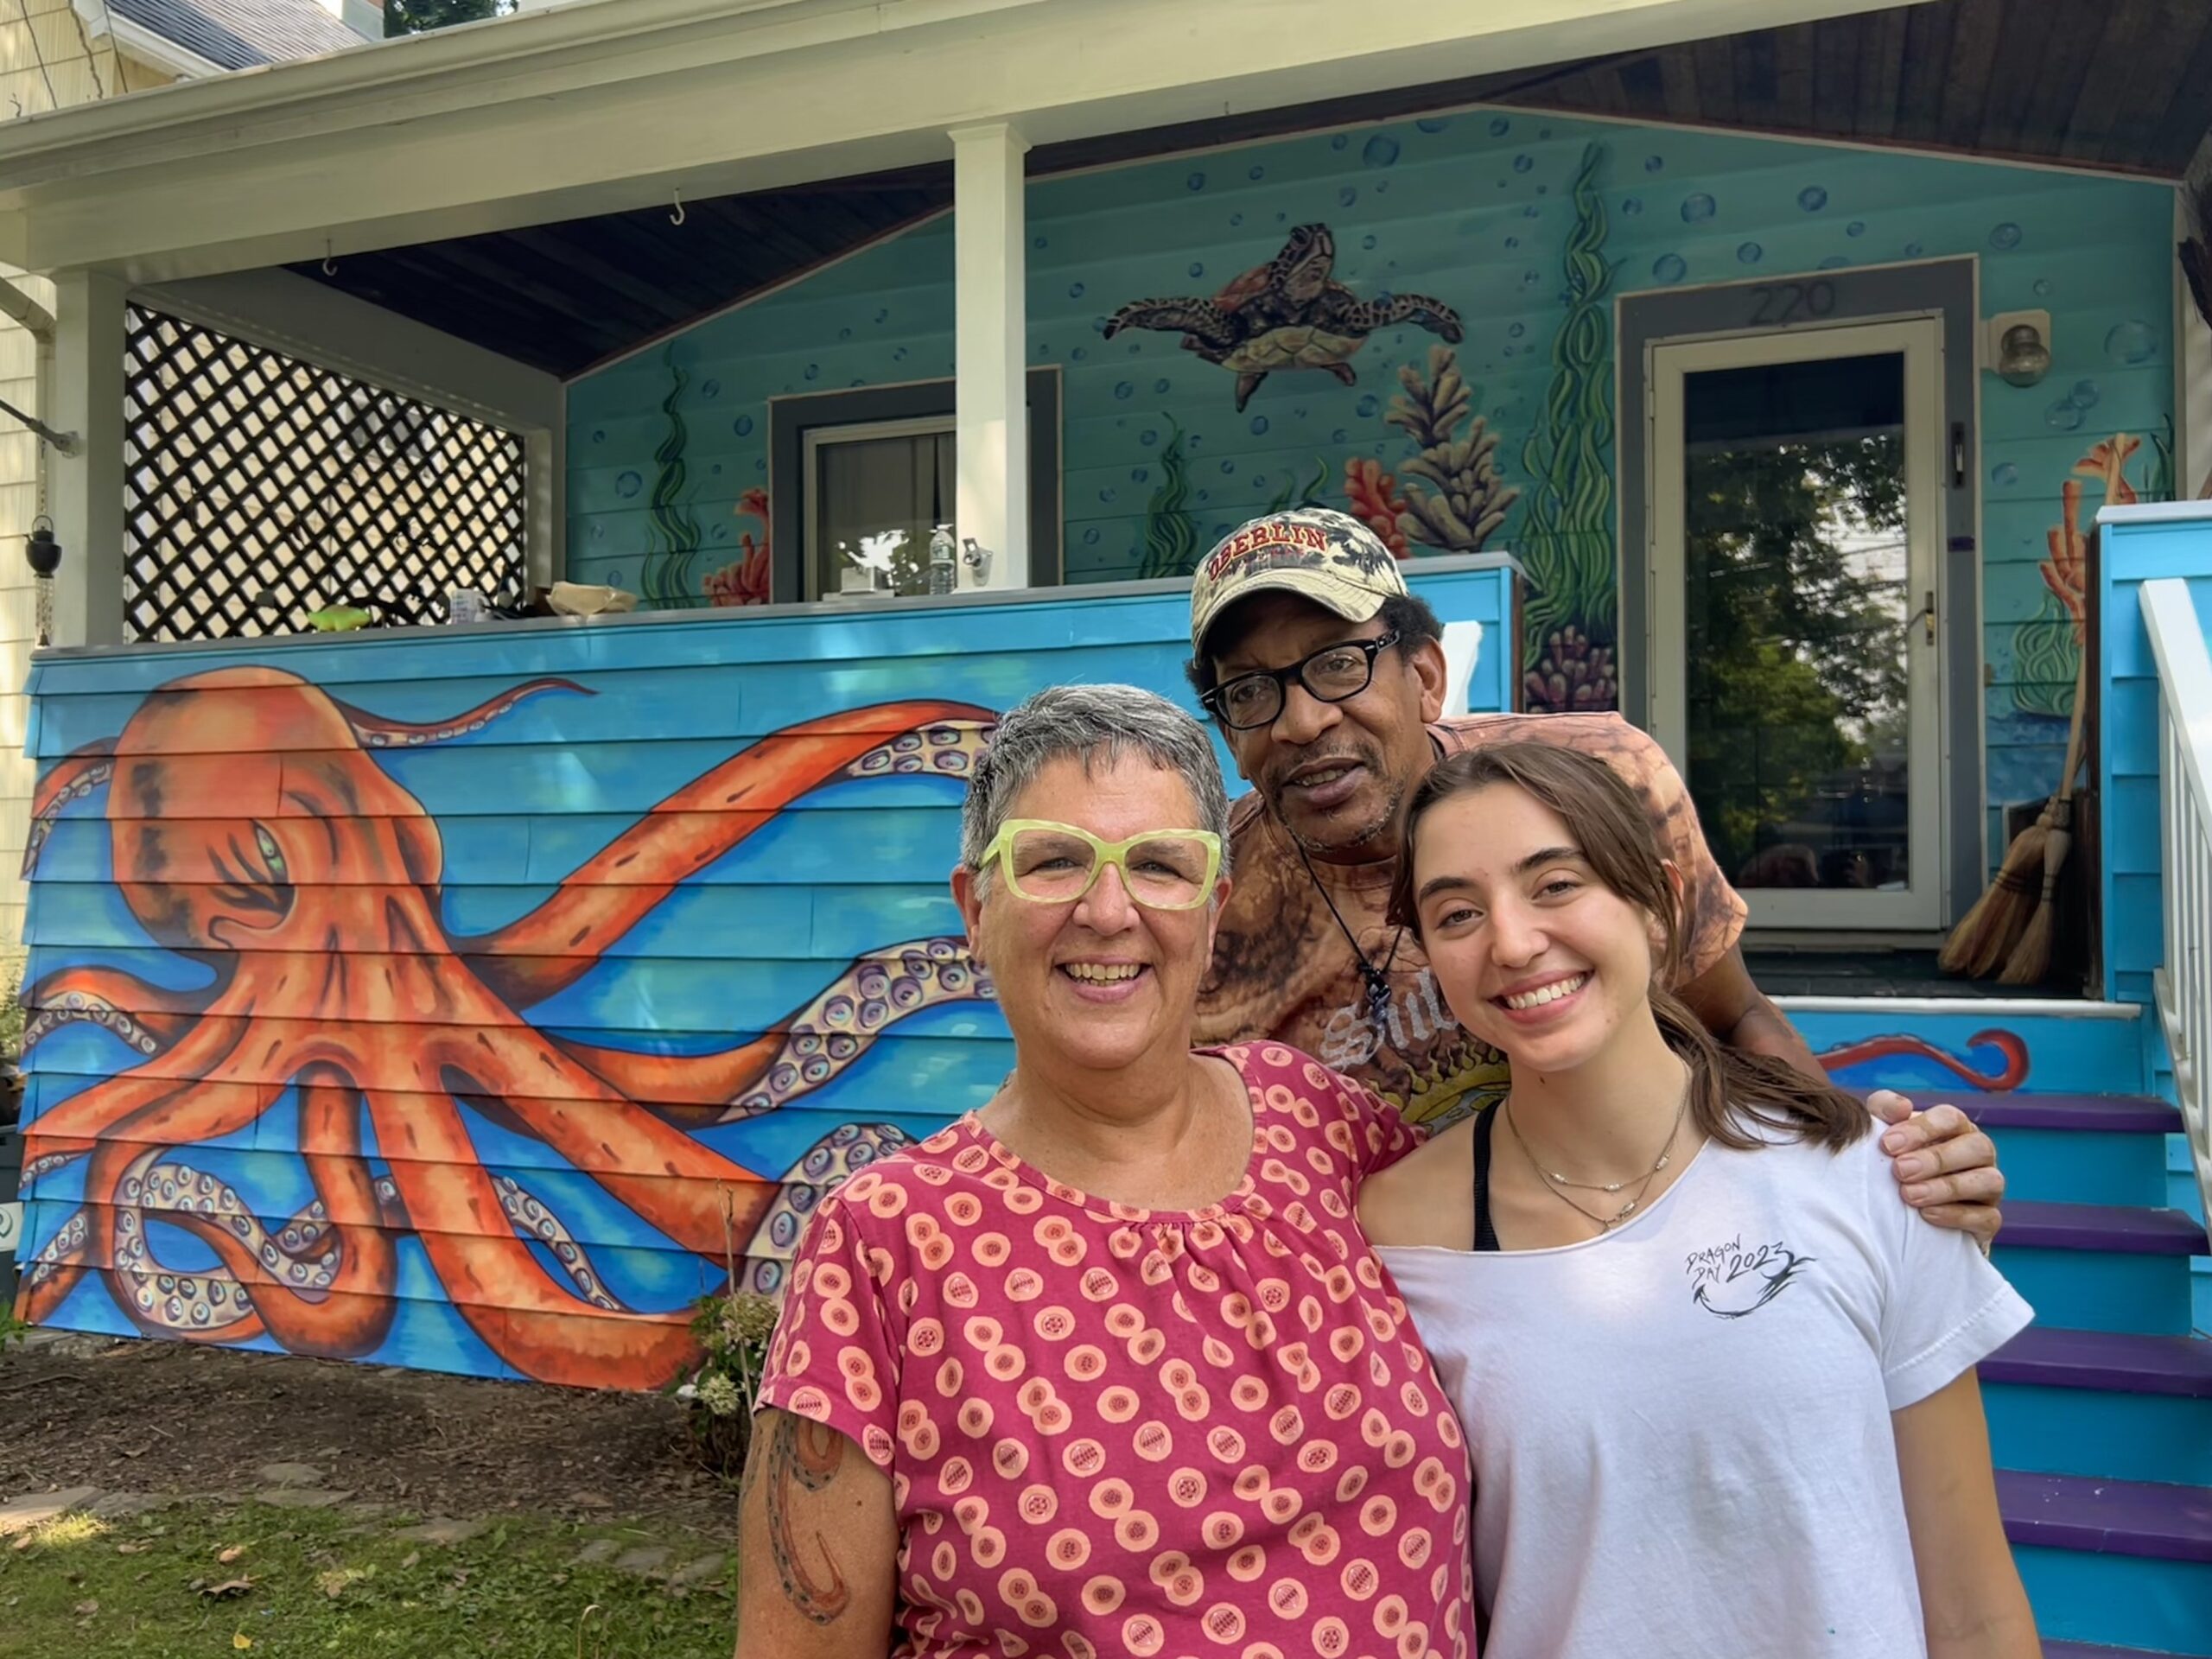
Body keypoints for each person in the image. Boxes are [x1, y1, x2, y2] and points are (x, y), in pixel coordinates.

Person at [737, 685, 1477, 1659]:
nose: (1108, 910)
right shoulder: (882, 1246)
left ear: (1211, 914)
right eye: (1052, 862)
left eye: (1161, 867)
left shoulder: (1325, 1126)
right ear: (976, 908)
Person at [1360, 742, 2038, 1658]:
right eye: (1456, 913)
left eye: (1556, 884)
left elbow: (1972, 1608)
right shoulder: (1395, 1240)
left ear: (1659, 904)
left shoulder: (1869, 1174)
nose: (1512, 943)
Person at [1184, 505, 2005, 1245]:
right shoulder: (1201, 900)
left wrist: (1870, 1181)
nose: (1300, 721)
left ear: (1426, 677)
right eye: (1249, 691)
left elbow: (1733, 1015)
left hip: (1655, 1232)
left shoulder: (1592, 783)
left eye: (1337, 664)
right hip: (1374, 1298)